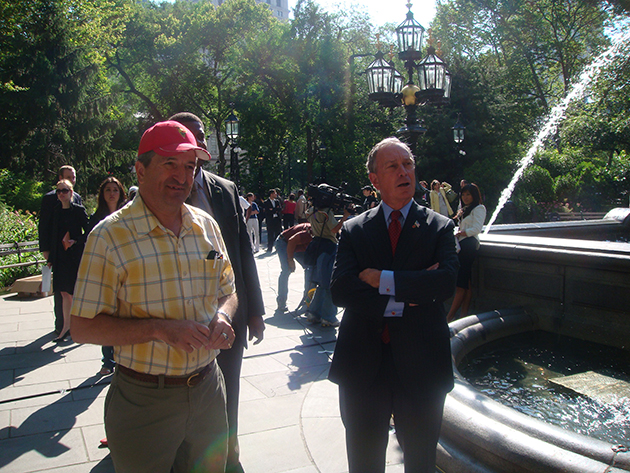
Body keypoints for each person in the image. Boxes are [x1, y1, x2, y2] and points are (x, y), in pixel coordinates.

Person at [70, 120, 236, 473]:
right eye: (170, 163)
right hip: (144, 401)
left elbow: (228, 291)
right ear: (141, 170)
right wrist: (159, 329)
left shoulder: (206, 225)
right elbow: (82, 327)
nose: (182, 176)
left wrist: (223, 316)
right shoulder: (108, 236)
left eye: (190, 166)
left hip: (208, 389)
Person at [329, 137, 459, 473]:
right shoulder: (355, 230)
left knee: (421, 463)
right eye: (393, 166)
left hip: (422, 366)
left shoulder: (440, 227)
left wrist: (382, 279)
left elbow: (444, 283)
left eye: (408, 164)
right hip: (362, 367)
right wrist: (409, 294)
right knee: (364, 464)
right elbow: (341, 290)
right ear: (375, 179)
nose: (404, 172)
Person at [170, 112, 265, 473]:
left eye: (201, 137)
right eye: (190, 136)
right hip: (182, 319)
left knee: (229, 393)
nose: (198, 143)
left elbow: (242, 253)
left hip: (229, 313)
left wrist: (254, 312)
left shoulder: (225, 189)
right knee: (187, 401)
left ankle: (229, 457)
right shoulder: (163, 189)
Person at [87, 176, 128, 375]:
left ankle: (123, 358)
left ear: (121, 193)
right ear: (102, 195)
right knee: (106, 316)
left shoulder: (128, 216)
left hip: (126, 270)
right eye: (108, 190)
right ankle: (108, 360)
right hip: (104, 270)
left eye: (115, 190)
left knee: (124, 315)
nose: (112, 193)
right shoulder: (96, 218)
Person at [39, 165, 83, 336]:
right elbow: (44, 225)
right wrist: (46, 249)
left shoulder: (77, 198)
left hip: (73, 252)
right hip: (57, 250)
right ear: (60, 178)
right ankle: (61, 325)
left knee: (72, 288)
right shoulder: (50, 199)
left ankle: (72, 324)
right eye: (69, 177)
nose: (72, 180)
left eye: (74, 177)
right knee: (60, 290)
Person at [48, 179, 89, 341]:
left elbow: (89, 231)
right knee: (64, 292)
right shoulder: (55, 211)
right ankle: (66, 326)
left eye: (64, 190)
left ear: (71, 192)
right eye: (58, 191)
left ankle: (77, 326)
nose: (61, 194)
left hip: (74, 256)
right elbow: (53, 236)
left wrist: (75, 241)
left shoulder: (78, 210)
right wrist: (51, 257)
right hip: (60, 257)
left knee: (74, 291)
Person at [304, 192, 349, 327]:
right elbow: (334, 229)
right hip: (328, 248)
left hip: (317, 246)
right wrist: (344, 217)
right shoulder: (326, 213)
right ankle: (328, 317)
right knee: (330, 284)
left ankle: (314, 313)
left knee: (322, 284)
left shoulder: (311, 211)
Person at [447, 183, 487, 322]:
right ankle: (463, 314)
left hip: (469, 245)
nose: (465, 197)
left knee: (461, 283)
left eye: (468, 194)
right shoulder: (465, 209)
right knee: (466, 282)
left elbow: (477, 228)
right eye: (463, 195)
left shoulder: (479, 208)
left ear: (474, 195)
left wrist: (462, 233)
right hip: (462, 244)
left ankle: (449, 316)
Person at [274, 222, 313, 314]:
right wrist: (290, 260)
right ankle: (281, 302)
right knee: (286, 270)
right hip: (284, 242)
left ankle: (307, 302)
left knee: (310, 268)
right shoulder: (311, 233)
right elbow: (291, 241)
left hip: (298, 245)